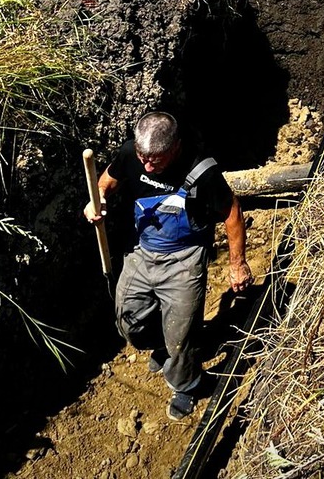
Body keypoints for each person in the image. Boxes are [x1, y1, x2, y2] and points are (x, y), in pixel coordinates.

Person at [84, 111, 253, 421]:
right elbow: (106, 182)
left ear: (175, 146)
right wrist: (97, 202)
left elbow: (232, 214)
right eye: (143, 157)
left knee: (181, 333)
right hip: (142, 251)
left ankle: (188, 382)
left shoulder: (202, 170)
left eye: (156, 160)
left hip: (184, 258)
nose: (148, 165)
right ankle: (161, 345)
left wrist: (237, 264)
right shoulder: (130, 153)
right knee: (128, 320)